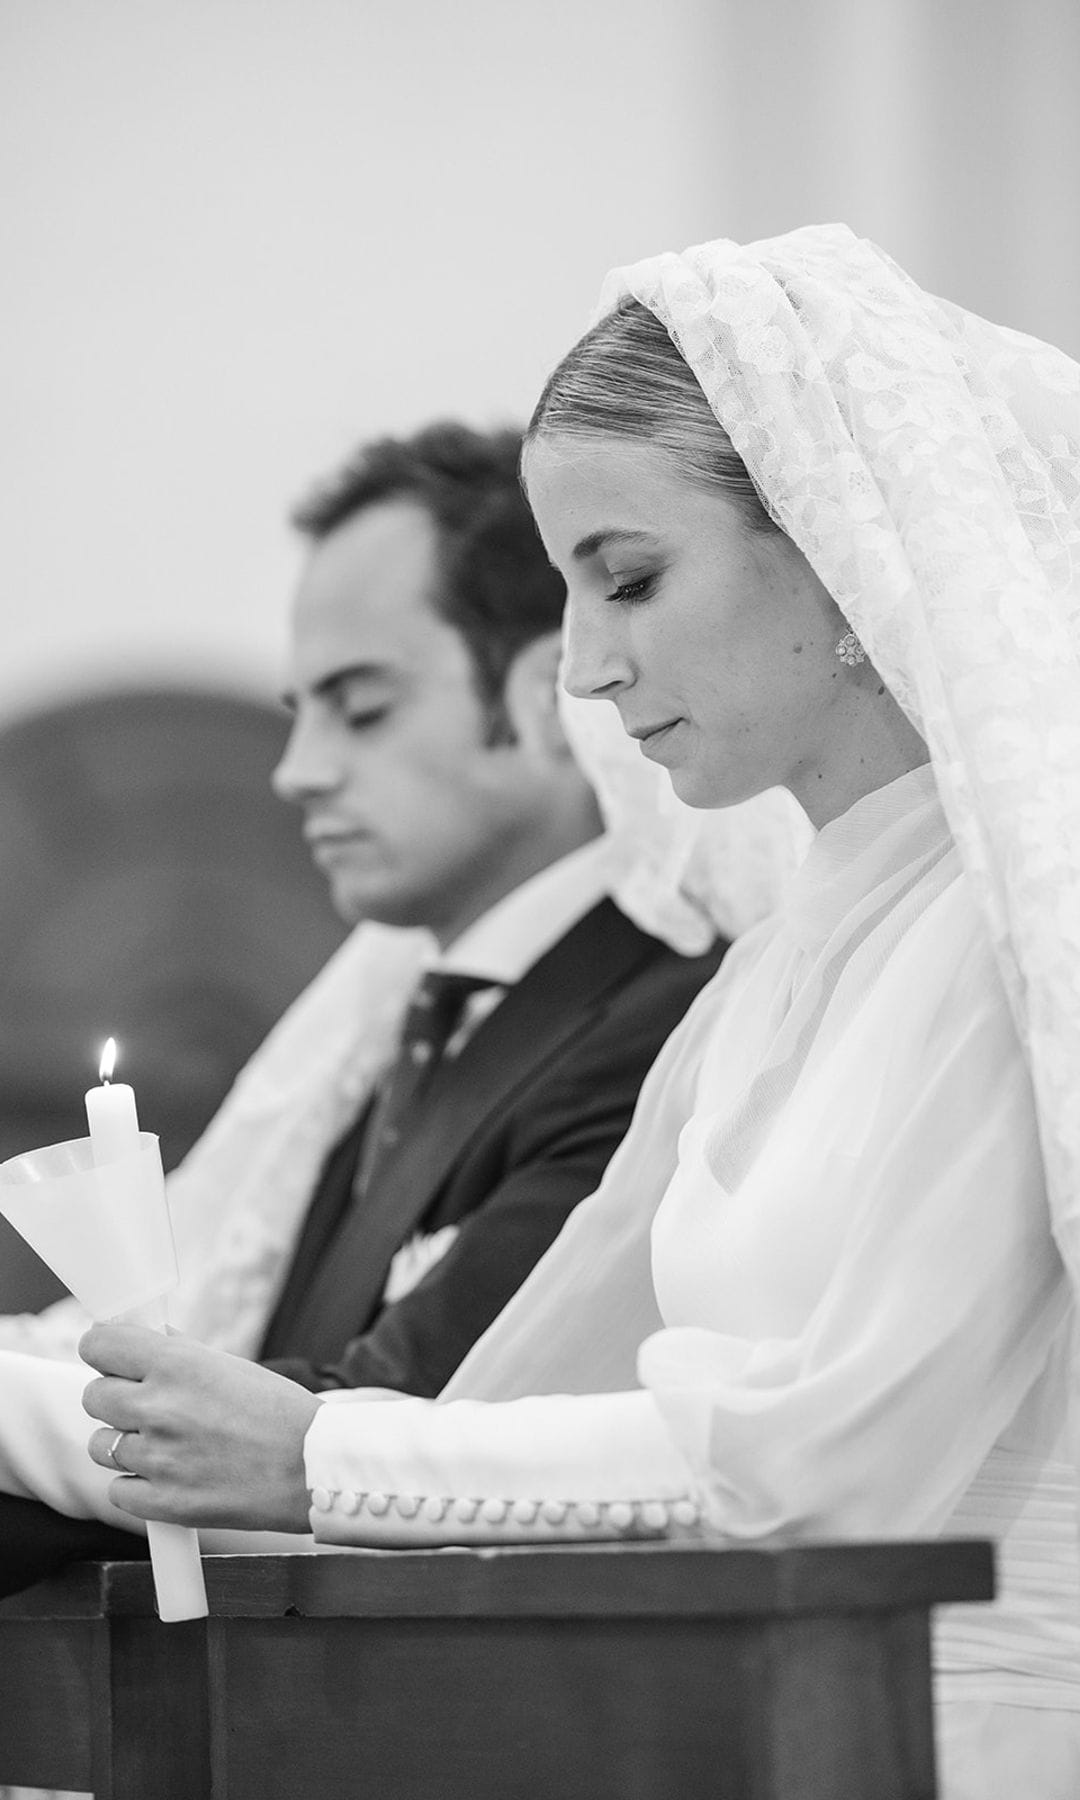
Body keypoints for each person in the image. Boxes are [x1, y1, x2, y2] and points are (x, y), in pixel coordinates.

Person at [68, 226, 1080, 1794]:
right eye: (567, 595)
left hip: (962, 1735)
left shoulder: (1012, 926)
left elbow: (828, 1472)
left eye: (630, 579)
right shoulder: (770, 963)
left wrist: (317, 1456)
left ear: (834, 533)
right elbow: (556, 1366)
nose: (588, 674)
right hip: (731, 1719)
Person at [0, 422, 725, 1585]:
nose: (299, 772)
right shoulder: (385, 1023)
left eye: (362, 706)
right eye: (302, 714)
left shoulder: (666, 1017)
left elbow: (382, 1425)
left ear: (548, 697)